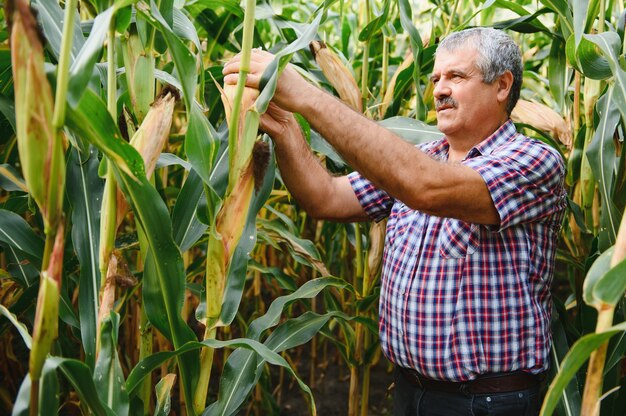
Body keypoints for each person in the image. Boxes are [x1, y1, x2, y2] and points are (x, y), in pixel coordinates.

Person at [224, 27, 566, 416]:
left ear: (502, 85)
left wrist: (306, 95)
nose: (438, 90)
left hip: (485, 402)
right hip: (408, 391)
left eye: (456, 77)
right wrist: (284, 123)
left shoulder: (533, 162)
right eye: (435, 78)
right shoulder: (424, 155)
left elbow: (424, 187)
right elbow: (325, 197)